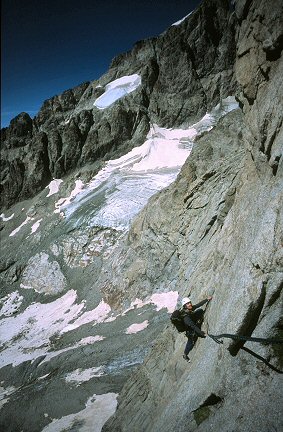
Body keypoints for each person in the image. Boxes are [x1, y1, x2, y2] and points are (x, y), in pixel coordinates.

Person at [180, 296, 212, 362]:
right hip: (190, 330)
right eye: (188, 304)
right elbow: (193, 326)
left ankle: (198, 322)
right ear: (185, 306)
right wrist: (201, 333)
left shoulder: (190, 309)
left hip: (192, 321)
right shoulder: (185, 317)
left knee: (200, 310)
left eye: (189, 303)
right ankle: (185, 354)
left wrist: (207, 299)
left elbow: (198, 305)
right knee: (191, 342)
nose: (190, 304)